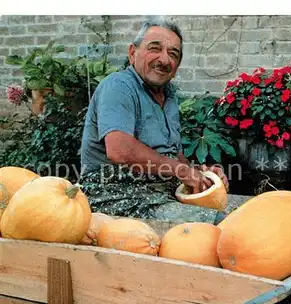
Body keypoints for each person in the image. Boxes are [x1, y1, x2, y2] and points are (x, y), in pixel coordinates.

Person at [79, 19, 228, 219]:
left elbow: (175, 157)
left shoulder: (169, 96)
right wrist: (180, 170)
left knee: (238, 212)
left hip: (160, 188)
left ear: (177, 66)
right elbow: (119, 150)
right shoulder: (119, 86)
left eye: (173, 54)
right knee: (215, 223)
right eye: (154, 48)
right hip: (113, 191)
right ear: (133, 53)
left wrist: (201, 172)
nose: (164, 60)